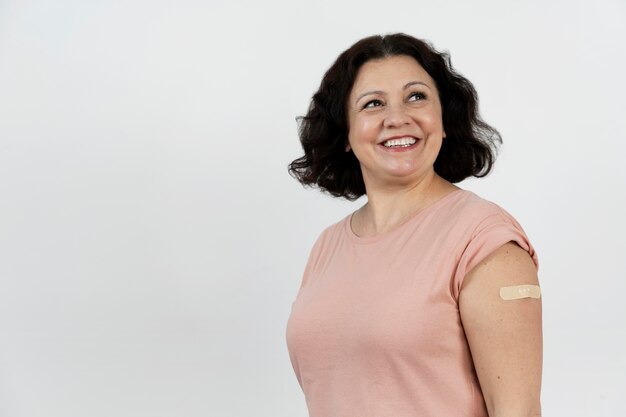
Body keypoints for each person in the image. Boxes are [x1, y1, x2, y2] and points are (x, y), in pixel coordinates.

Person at [285, 33, 542, 417]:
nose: (397, 118)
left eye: (416, 96)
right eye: (373, 104)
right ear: (346, 137)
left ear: (444, 121)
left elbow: (517, 410)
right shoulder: (328, 246)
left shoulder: (484, 241)